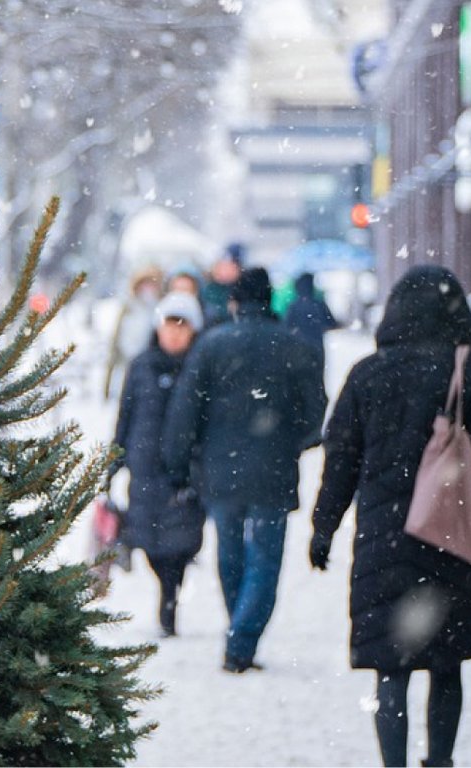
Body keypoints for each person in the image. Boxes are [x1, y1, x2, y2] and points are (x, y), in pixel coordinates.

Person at [309, 265, 471, 767]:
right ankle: (441, 761)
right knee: (446, 664)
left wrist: (325, 527)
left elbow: (340, 459)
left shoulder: (367, 374)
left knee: (391, 668)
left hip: (385, 542)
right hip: (453, 536)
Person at [161, 267, 326, 671]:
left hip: (220, 471)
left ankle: (238, 629)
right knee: (265, 560)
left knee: (230, 554)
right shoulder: (294, 346)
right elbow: (315, 411)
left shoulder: (211, 346)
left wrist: (179, 464)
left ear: (234, 302)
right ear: (269, 301)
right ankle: (243, 637)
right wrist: (292, 442)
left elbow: (185, 411)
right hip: (274, 470)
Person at [111, 291, 207, 638]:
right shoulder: (141, 365)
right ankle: (166, 593)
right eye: (170, 325)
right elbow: (125, 415)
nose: (175, 333)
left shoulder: (201, 367)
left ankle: (170, 599)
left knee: (181, 544)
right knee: (150, 542)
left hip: (185, 470)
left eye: (183, 326)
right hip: (145, 467)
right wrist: (114, 460)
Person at [103, 265, 164, 399]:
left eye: (152, 285)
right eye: (145, 284)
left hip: (147, 364)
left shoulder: (160, 310)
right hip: (125, 359)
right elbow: (117, 338)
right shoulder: (129, 307)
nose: (148, 289)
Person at [283, 272, 339, 353]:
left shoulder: (293, 306)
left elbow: (286, 326)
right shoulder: (319, 304)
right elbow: (332, 323)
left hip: (298, 347)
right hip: (317, 347)